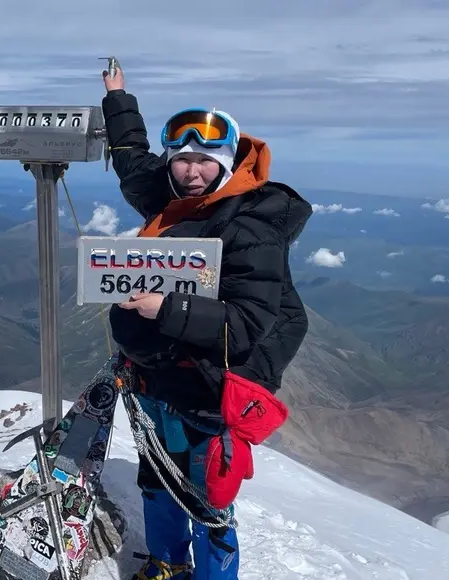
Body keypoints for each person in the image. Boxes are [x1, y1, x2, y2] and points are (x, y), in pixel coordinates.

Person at [101, 65, 313, 579]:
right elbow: (134, 165)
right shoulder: (177, 201)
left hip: (211, 390)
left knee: (208, 500)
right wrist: (117, 99)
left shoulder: (252, 224)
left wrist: (163, 308)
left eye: (204, 161)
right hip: (159, 379)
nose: (191, 171)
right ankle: (168, 565)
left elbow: (246, 324)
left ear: (227, 162)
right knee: (158, 480)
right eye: (183, 160)